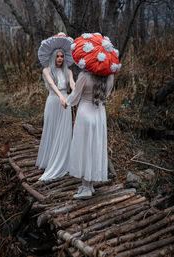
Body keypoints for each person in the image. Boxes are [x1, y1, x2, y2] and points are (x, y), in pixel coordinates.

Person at [65, 32, 121, 199]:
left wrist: (67, 98)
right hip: (99, 114)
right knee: (94, 148)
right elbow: (106, 96)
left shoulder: (84, 76)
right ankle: (89, 185)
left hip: (84, 114)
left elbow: (74, 99)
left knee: (84, 149)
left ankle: (86, 187)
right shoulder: (110, 77)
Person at [36, 33, 75, 181]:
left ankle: (62, 161)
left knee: (64, 131)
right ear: (53, 57)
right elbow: (52, 85)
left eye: (62, 56)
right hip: (54, 101)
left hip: (66, 103)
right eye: (58, 56)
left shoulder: (69, 71)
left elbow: (72, 84)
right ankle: (49, 161)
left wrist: (76, 92)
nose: (60, 58)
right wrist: (60, 96)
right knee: (52, 128)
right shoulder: (46, 70)